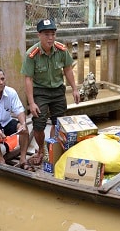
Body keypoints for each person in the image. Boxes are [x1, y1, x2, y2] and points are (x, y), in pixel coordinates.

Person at [21, 18, 80, 165]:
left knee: (58, 122)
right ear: (39, 35)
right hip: (40, 91)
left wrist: (74, 89)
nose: (50, 38)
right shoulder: (31, 54)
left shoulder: (61, 50)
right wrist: (32, 102)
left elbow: (67, 69)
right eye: (46, 34)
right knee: (39, 124)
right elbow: (28, 79)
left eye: (53, 34)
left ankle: (53, 149)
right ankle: (41, 150)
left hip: (58, 90)